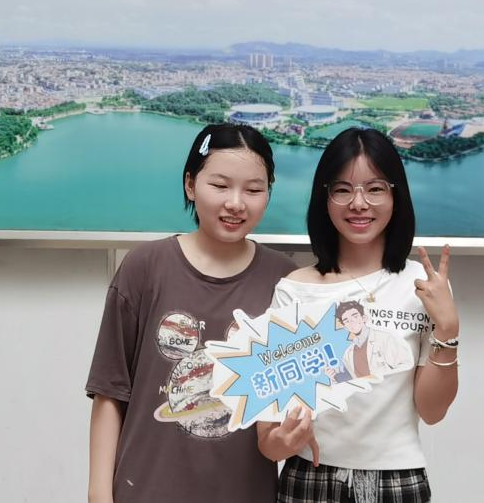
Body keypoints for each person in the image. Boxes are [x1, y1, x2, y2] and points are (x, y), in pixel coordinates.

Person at [86, 123, 295, 503]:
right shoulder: (144, 267)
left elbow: (283, 408)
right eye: (220, 185)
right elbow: (109, 393)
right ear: (190, 185)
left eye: (253, 189)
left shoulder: (285, 280)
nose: (236, 203)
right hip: (145, 491)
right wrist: (98, 495)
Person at [257, 127, 459, 503]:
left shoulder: (422, 286)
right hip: (311, 476)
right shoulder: (294, 290)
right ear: (325, 198)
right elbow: (269, 441)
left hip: (398, 479)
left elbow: (432, 412)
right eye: (343, 189)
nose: (359, 203)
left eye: (375, 188)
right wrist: (283, 440)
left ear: (396, 196)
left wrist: (448, 329)